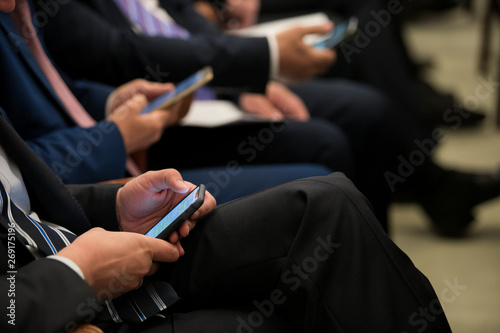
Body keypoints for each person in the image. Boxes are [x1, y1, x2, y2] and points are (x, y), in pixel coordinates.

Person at [32, 0, 500, 237]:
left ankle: (422, 202)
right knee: (328, 162)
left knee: (356, 103)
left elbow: (172, 14)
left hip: (175, 94)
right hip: (133, 143)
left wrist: (243, 79)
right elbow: (110, 54)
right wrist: (260, 62)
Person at [0, 102, 454, 332]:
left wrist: (113, 207)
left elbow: (14, 199)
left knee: (323, 205)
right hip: (45, 301)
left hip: (66, 252)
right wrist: (77, 275)